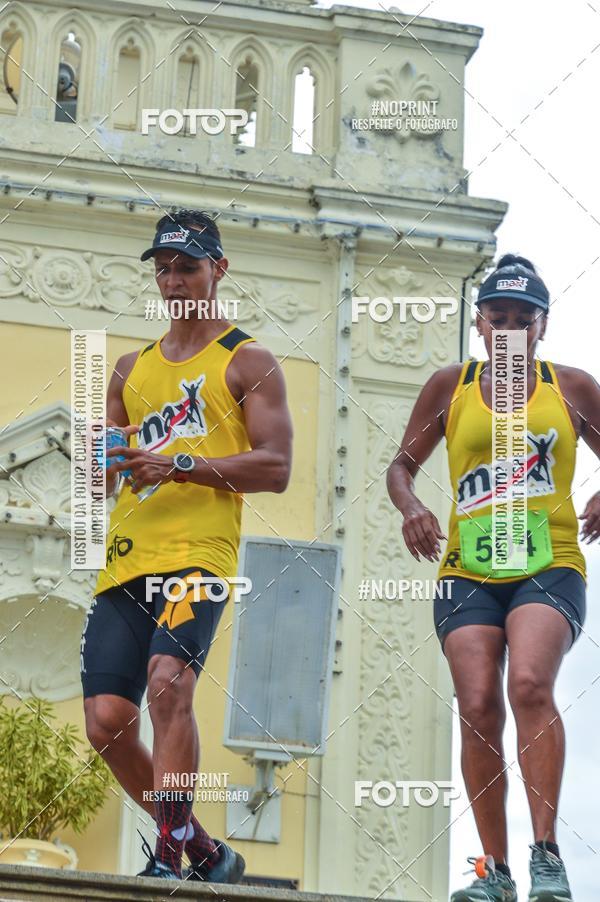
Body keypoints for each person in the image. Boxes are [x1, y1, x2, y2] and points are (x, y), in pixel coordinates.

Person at [80, 209, 293, 882]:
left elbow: (276, 468)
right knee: (105, 722)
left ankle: (168, 859)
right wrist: (99, 460)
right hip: (127, 560)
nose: (174, 281)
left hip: (199, 555)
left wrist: (177, 465)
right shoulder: (128, 369)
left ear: (218, 270)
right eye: (165, 269)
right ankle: (203, 848)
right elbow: (102, 479)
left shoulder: (248, 360)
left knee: (169, 684)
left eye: (189, 268)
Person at [387, 254, 600, 902]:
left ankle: (547, 857)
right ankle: (494, 872)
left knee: (529, 683)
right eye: (497, 317)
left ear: (541, 325)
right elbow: (400, 466)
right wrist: (413, 507)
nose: (509, 329)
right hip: (470, 568)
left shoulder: (571, 387)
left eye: (522, 319)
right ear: (478, 323)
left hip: (547, 560)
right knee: (478, 705)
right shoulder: (449, 386)